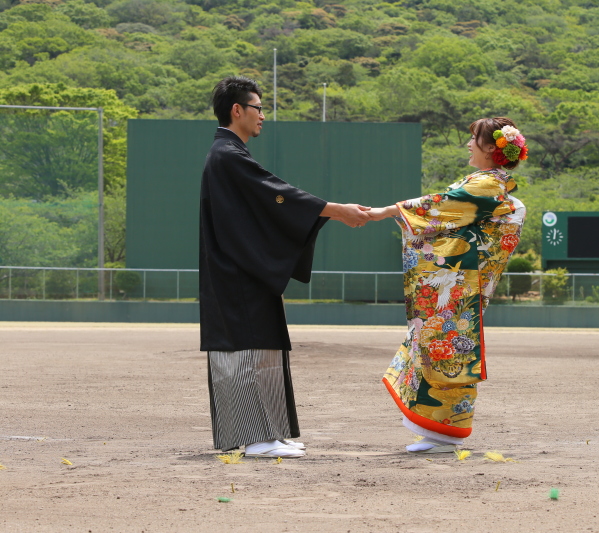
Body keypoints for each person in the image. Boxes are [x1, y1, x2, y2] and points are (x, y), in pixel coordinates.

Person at [199, 76, 370, 459]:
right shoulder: (227, 155)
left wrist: (332, 212)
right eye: (258, 108)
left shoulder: (230, 153)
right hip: (236, 270)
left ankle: (271, 432)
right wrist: (336, 210)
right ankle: (257, 438)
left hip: (245, 267)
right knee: (246, 351)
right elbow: (276, 195)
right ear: (237, 110)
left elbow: (269, 199)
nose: (263, 116)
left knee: (264, 348)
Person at [367, 117, 528, 453]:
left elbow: (441, 206)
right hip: (459, 281)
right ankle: (440, 431)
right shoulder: (488, 183)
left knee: (448, 346)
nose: (469, 144)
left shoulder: (486, 185)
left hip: (460, 282)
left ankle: (445, 433)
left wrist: (385, 212)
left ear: (491, 148)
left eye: (474, 139)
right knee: (440, 345)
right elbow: (448, 212)